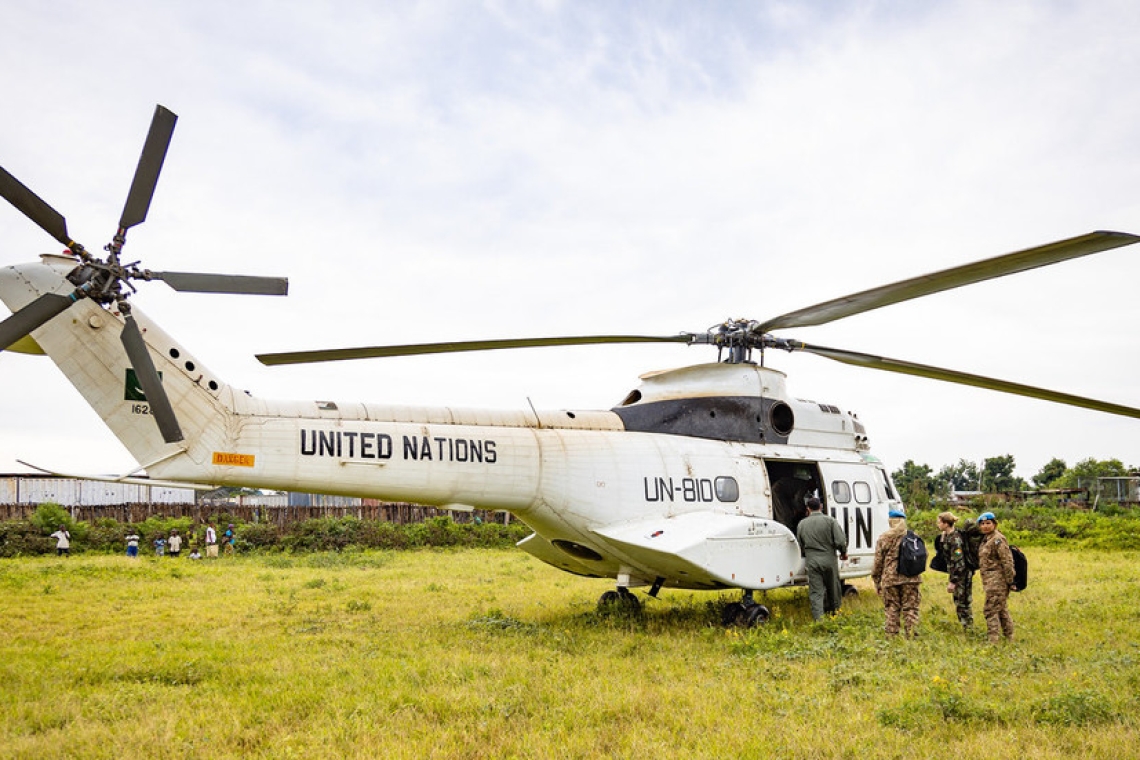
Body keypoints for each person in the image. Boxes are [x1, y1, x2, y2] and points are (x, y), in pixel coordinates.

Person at [795, 496, 848, 621]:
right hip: (829, 559)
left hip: (812, 561)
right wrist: (843, 552)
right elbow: (840, 541)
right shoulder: (830, 521)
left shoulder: (802, 524)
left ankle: (819, 620)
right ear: (821, 507)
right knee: (833, 589)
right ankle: (836, 615)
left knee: (816, 592)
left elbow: (800, 543)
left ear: (808, 508)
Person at [872, 508, 922, 637]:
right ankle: (911, 635)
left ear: (891, 521)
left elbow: (878, 562)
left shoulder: (884, 538)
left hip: (890, 578)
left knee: (892, 608)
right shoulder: (913, 536)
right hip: (911, 578)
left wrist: (877, 581)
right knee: (911, 608)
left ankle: (892, 636)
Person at [977, 511, 1015, 643]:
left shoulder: (998, 539)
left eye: (988, 523)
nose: (985, 526)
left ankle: (993, 640)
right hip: (989, 581)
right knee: (1001, 609)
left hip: (998, 581)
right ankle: (1009, 637)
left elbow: (1007, 561)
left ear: (994, 524)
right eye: (982, 524)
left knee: (990, 610)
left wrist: (1010, 581)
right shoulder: (986, 540)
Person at [935, 511, 973, 630]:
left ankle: (968, 627)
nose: (938, 524)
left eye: (940, 522)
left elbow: (959, 562)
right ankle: (966, 626)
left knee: (963, 603)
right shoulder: (947, 536)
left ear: (946, 523)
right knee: (959, 601)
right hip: (957, 574)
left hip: (962, 575)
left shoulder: (955, 539)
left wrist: (953, 581)